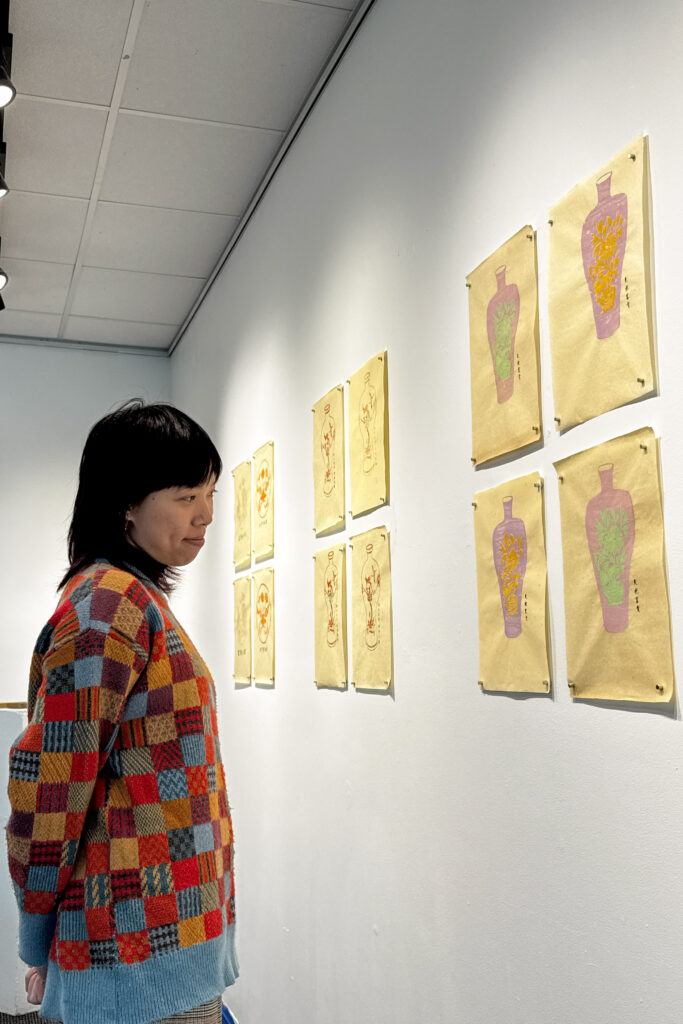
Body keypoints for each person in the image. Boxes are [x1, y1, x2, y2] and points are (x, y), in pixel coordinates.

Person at [6, 401, 238, 1024]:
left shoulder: (137, 600)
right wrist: (37, 938)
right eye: (188, 494)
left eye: (211, 493)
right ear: (126, 503)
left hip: (164, 937)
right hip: (130, 953)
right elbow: (52, 787)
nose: (207, 515)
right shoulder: (109, 606)